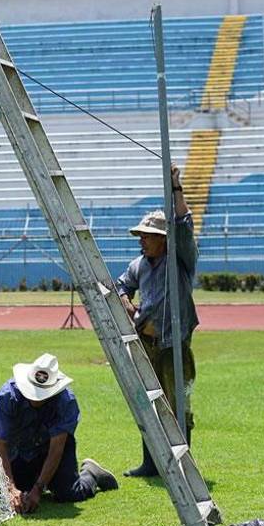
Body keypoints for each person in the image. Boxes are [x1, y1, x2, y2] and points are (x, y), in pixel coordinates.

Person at [115, 165, 199, 478]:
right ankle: (150, 463)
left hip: (173, 344)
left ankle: (184, 465)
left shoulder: (181, 260)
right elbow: (121, 285)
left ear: (163, 239)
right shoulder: (139, 265)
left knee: (178, 405)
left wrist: (176, 188)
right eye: (140, 236)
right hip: (146, 345)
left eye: (147, 236)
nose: (141, 241)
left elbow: (184, 225)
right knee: (146, 403)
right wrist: (126, 302)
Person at [0, 353, 118, 514]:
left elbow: (56, 449)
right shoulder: (6, 398)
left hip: (48, 449)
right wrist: (10, 487)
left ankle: (91, 474)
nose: (36, 400)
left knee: (70, 493)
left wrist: (38, 489)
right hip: (17, 451)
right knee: (7, 498)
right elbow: (0, 445)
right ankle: (37, 480)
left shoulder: (66, 402)